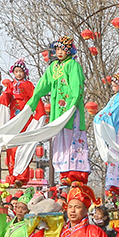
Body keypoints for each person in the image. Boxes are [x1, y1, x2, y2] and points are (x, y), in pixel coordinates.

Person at [26, 36, 90, 183]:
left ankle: (75, 172)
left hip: (70, 111)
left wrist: (72, 105)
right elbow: (43, 84)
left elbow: (77, 86)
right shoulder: (53, 67)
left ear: (69, 50)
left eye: (63, 49)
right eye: (58, 49)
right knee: (59, 139)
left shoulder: (73, 65)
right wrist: (34, 100)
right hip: (57, 111)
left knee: (72, 137)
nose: (60, 52)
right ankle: (63, 172)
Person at [0, 59, 36, 184]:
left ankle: (22, 176)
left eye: (20, 71)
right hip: (14, 118)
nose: (18, 74)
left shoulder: (29, 85)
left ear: (25, 73)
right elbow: (7, 95)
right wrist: (3, 97)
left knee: (23, 147)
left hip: (25, 118)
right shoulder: (11, 85)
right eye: (16, 71)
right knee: (12, 147)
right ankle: (12, 175)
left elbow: (35, 99)